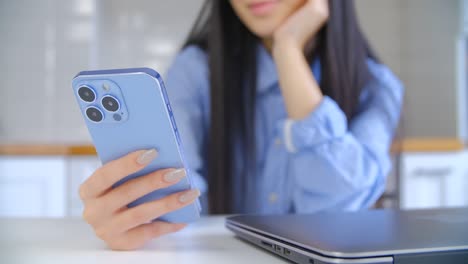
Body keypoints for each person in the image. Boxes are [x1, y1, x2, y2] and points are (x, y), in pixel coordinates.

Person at [78, 0, 403, 250]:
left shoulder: (376, 87)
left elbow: (338, 207)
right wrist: (135, 220)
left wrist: (288, 50)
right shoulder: (196, 71)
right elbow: (173, 201)